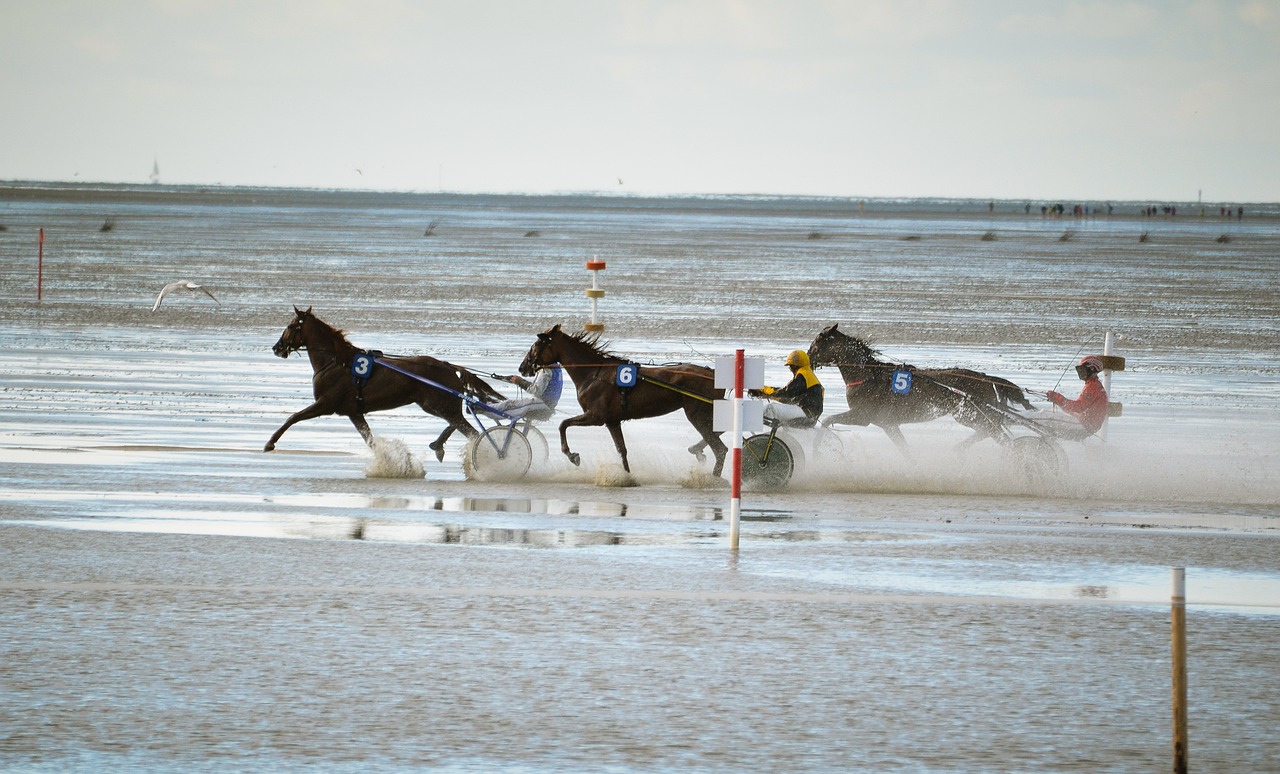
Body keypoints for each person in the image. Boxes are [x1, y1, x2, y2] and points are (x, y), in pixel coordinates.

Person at [1024, 355, 1108, 438]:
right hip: (1087, 425)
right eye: (1079, 370)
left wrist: (1057, 398)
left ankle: (1017, 417)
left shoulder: (1093, 387)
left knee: (1046, 416)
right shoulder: (1094, 385)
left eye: (1082, 370)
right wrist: (1057, 400)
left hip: (1083, 425)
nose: (1080, 373)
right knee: (1050, 417)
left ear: (1092, 369)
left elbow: (1078, 407)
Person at [755, 350, 824, 426]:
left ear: (794, 366)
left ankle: (761, 431)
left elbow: (787, 393)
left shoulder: (803, 375)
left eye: (790, 366)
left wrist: (764, 390)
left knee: (771, 409)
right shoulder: (807, 374)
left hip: (806, 413)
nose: (790, 369)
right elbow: (788, 396)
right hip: (810, 413)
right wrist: (768, 394)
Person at [485, 363, 563, 422]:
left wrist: (520, 382)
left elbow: (536, 391)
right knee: (508, 405)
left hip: (541, 404)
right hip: (548, 404)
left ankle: (483, 408)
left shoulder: (546, 369)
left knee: (508, 404)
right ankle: (486, 407)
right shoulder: (556, 367)